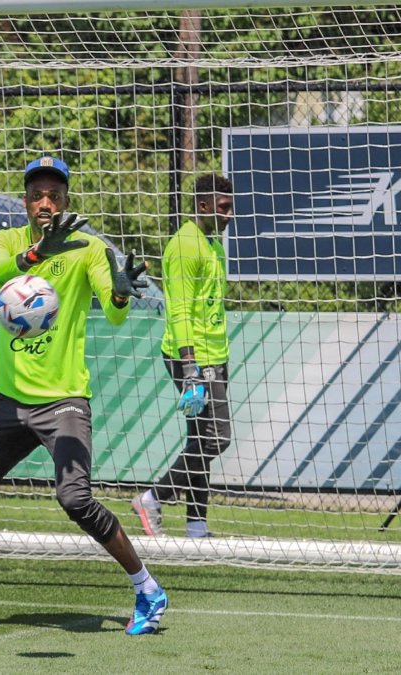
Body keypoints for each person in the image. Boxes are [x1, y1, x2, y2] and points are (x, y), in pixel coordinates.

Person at [0, 156, 168, 636]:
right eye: (37, 194)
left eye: (55, 194)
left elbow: (116, 314)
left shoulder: (88, 247)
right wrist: (33, 257)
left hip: (63, 401)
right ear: (25, 201)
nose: (45, 203)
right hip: (9, 402)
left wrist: (118, 293)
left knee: (74, 498)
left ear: (67, 200)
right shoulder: (7, 241)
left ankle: (147, 589)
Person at [132, 173, 234, 539]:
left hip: (215, 356)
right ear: (203, 206)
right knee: (215, 439)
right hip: (192, 358)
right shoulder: (184, 246)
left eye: (231, 207)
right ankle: (152, 497)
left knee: (199, 438)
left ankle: (196, 524)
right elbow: (179, 310)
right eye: (223, 208)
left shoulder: (213, 245)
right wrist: (191, 367)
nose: (229, 215)